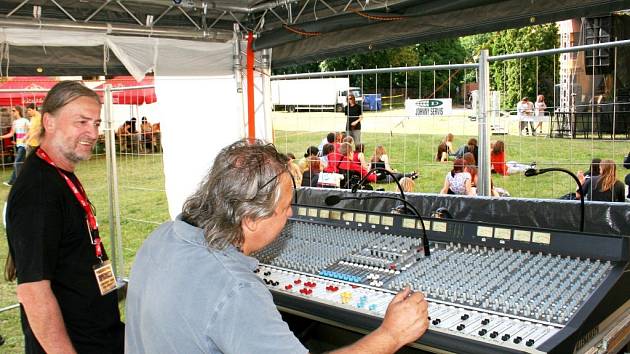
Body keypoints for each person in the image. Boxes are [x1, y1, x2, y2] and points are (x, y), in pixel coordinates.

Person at [125, 139, 429, 354]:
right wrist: (391, 335)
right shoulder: (236, 291)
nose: (291, 213)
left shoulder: (162, 236)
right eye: (285, 207)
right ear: (252, 220)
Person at [5, 81, 124, 353]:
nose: (92, 133)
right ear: (49, 121)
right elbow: (33, 293)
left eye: (96, 123)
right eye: (81, 122)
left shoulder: (58, 173)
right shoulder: (38, 190)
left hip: (96, 335)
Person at [0, 106, 30, 186]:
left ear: (18, 111)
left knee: (17, 163)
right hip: (19, 145)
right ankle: (22, 181)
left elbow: (31, 131)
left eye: (14, 110)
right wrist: (1, 137)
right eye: (12, 111)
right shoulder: (14, 122)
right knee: (20, 163)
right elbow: (11, 134)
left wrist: (25, 137)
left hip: (25, 145)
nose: (12, 112)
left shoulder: (25, 121)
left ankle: (13, 182)